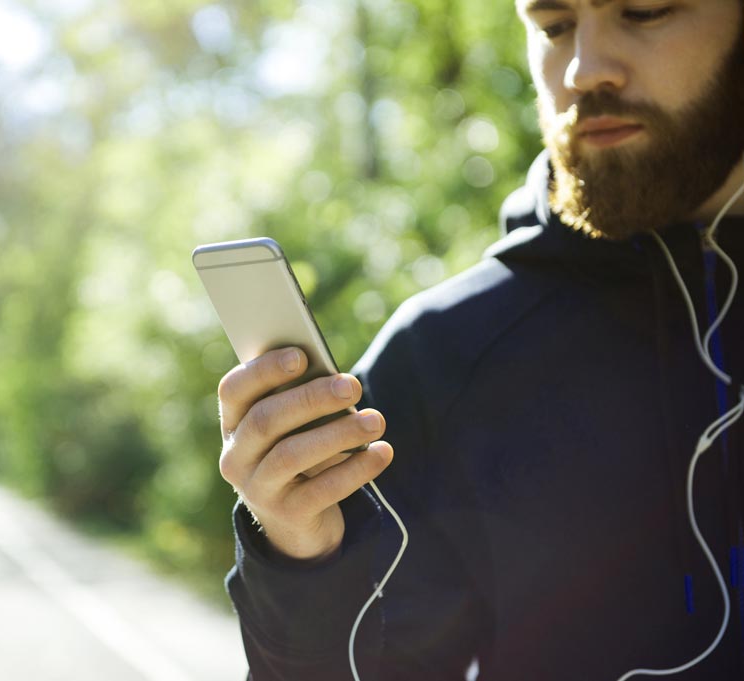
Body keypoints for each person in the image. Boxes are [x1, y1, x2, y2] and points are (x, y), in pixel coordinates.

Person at [217, 1, 744, 679]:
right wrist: (299, 567)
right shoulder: (442, 356)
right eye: (553, 27)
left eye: (643, 11)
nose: (583, 70)